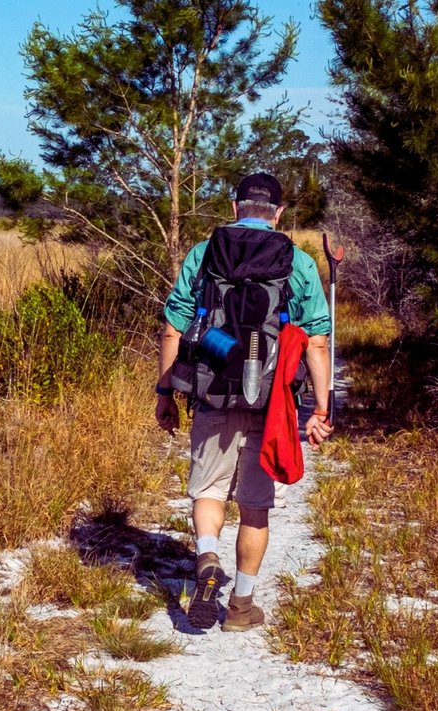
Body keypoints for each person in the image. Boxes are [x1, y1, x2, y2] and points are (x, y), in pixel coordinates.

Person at [154, 172, 333, 632]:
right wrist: (320, 410)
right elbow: (316, 343)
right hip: (272, 401)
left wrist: (165, 392)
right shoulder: (299, 262)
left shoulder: (204, 252)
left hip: (212, 391)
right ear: (278, 214)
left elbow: (173, 328)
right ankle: (240, 607)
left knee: (208, 491)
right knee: (255, 507)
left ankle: (207, 556)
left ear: (234, 208)